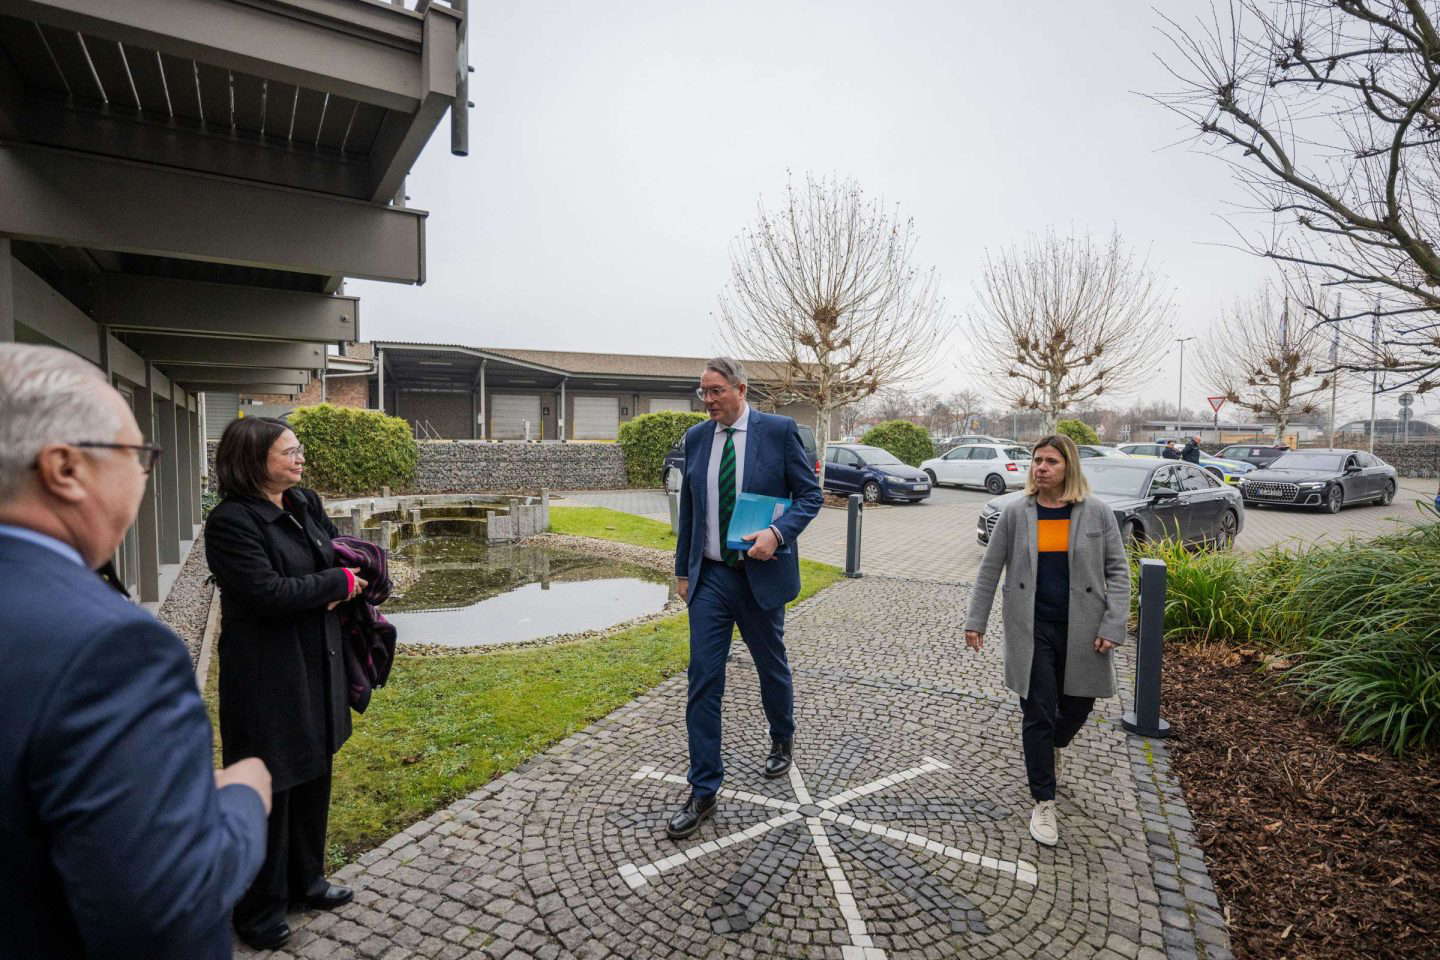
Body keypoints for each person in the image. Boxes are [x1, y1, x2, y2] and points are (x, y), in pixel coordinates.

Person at [0, 344, 271, 959]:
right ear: (65, 469)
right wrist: (240, 798)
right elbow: (164, 912)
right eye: (139, 455)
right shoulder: (109, 651)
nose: (147, 476)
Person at [205, 417, 367, 950]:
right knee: (270, 786)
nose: (300, 460)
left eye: (299, 451)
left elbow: (332, 553)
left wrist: (352, 572)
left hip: (316, 658)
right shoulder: (231, 522)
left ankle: (306, 881)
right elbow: (266, 593)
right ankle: (257, 909)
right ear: (253, 461)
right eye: (288, 453)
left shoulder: (302, 504)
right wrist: (335, 583)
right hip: (266, 672)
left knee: (315, 768)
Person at [667, 358, 824, 839]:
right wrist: (681, 570)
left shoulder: (778, 431)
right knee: (703, 679)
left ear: (740, 388)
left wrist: (777, 534)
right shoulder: (697, 439)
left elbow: (810, 496)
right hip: (711, 578)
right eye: (702, 393)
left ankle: (782, 734)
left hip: (760, 575)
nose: (708, 400)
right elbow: (689, 508)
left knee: (769, 664)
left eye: (715, 391)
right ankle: (703, 788)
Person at [963, 433, 1130, 847]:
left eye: (1051, 461)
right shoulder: (1015, 513)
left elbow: (1119, 573)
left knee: (1077, 705)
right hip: (1031, 630)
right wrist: (976, 621)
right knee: (1037, 711)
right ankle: (1044, 800)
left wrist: (1113, 625)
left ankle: (1054, 744)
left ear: (1068, 466)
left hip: (1082, 630)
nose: (1041, 467)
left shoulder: (1098, 514)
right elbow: (989, 570)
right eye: (1037, 460)